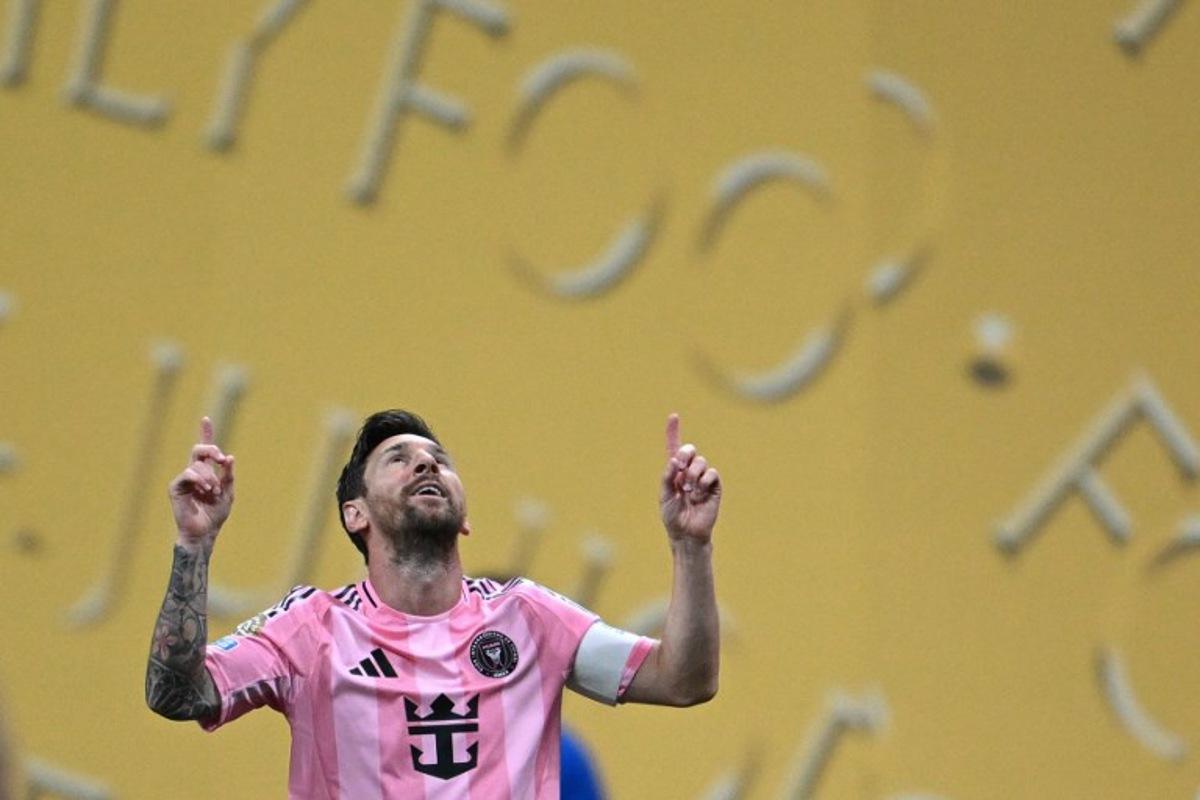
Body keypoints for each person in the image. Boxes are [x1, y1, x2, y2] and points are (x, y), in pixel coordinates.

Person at [145, 410, 720, 798]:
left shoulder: (529, 617)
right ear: (355, 514)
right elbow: (176, 694)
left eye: (439, 460)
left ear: (464, 517)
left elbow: (684, 680)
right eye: (397, 458)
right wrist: (194, 546)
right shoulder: (309, 629)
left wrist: (690, 546)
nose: (426, 464)